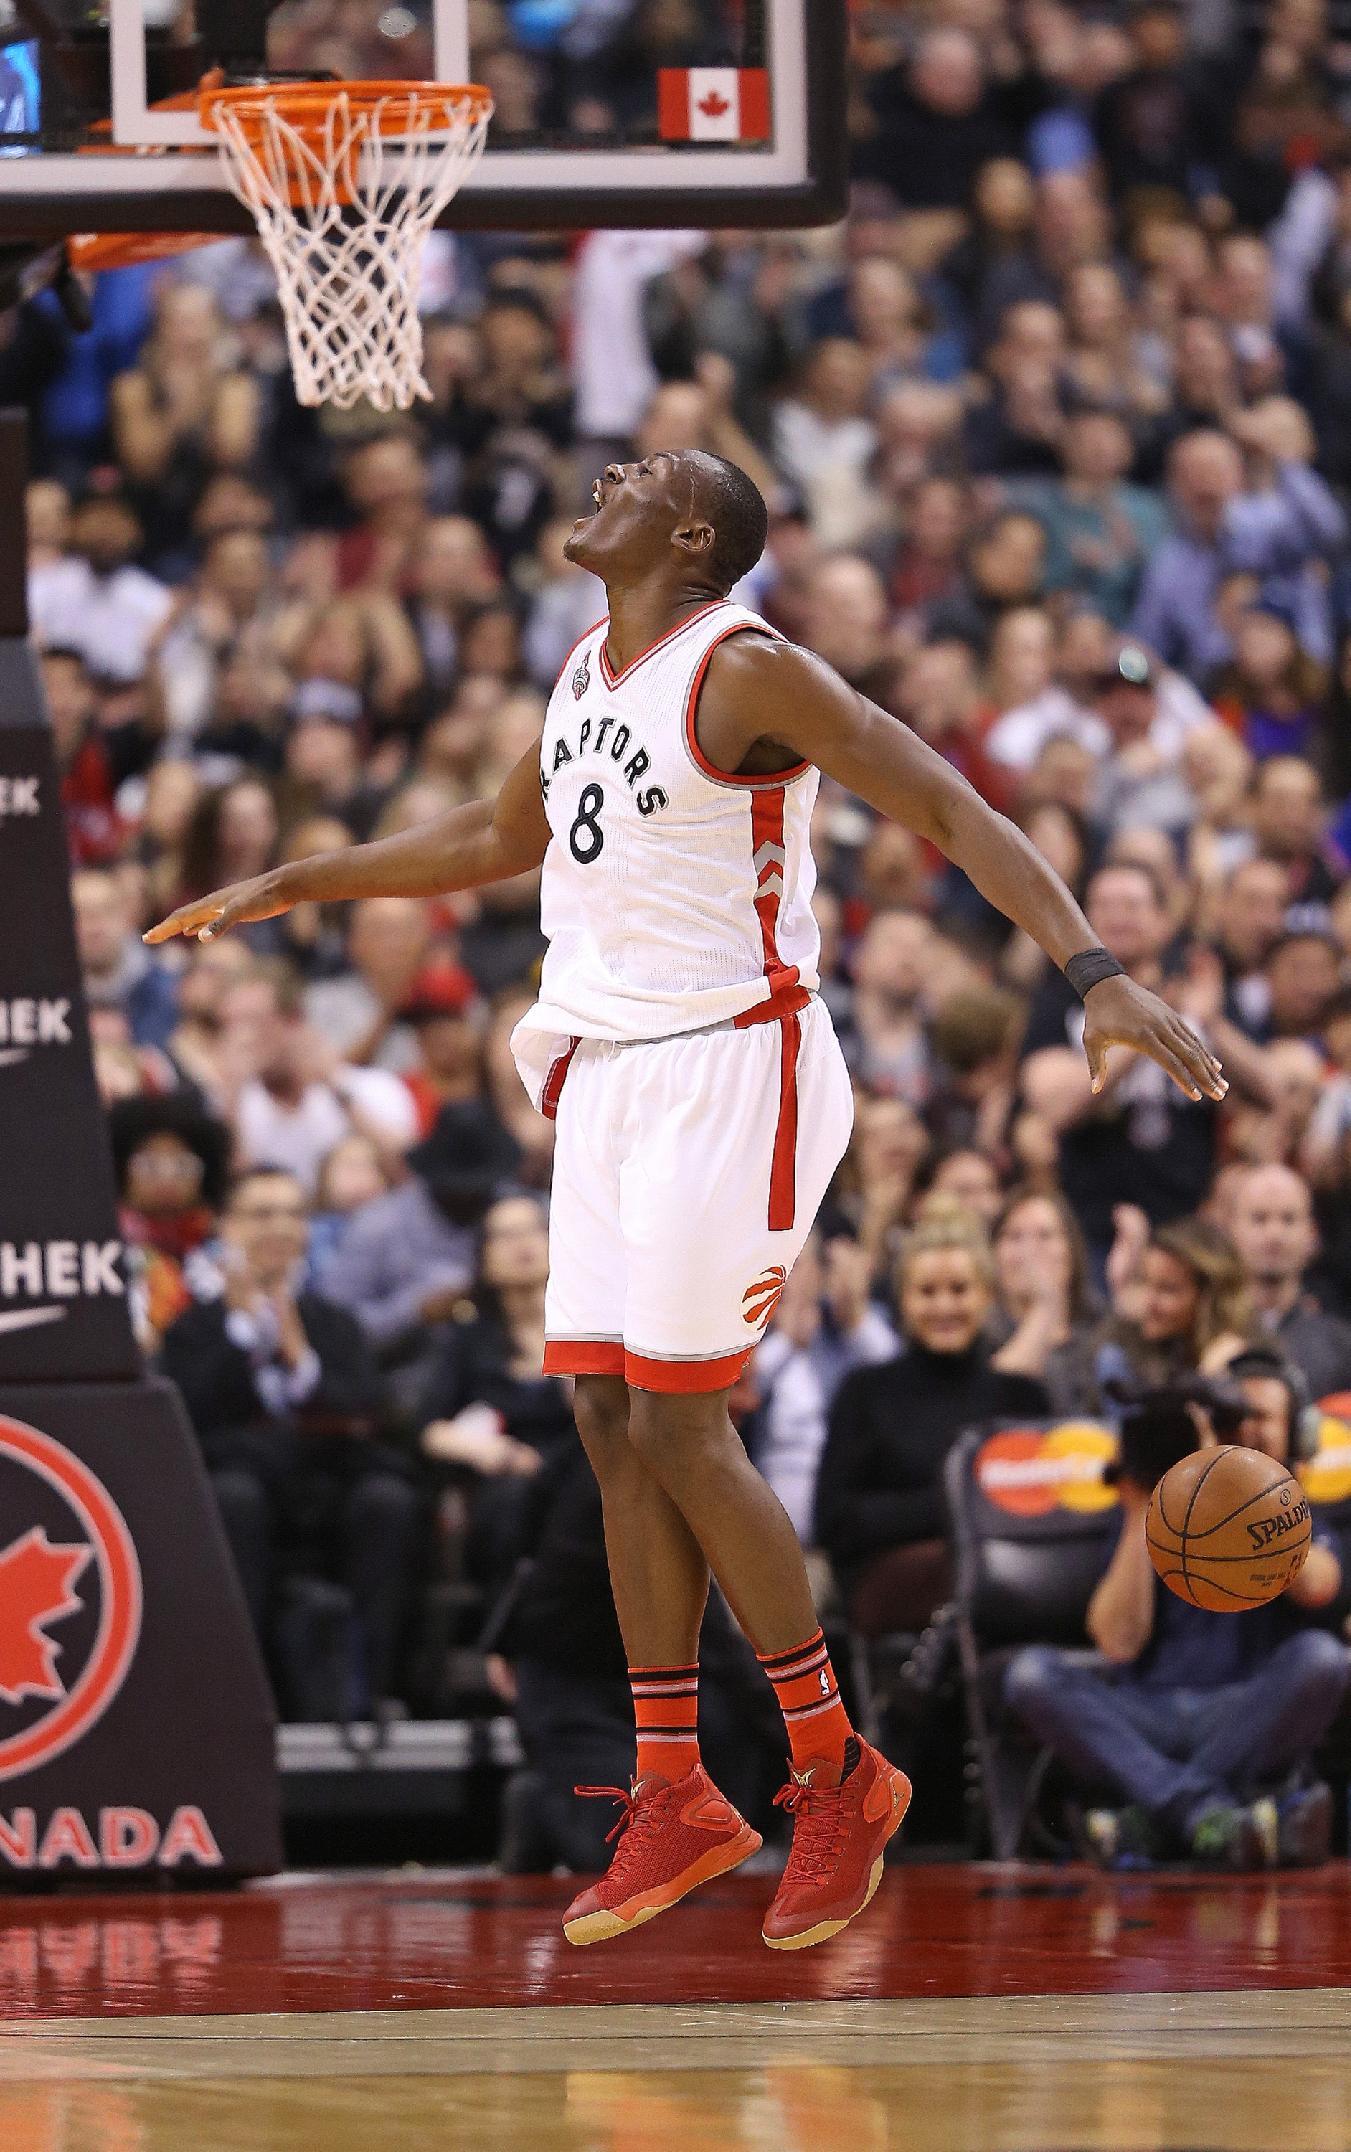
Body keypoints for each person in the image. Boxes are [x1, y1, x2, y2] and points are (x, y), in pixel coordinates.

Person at [147, 446, 1225, 1953]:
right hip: (605, 1066)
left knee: (674, 1415)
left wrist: (1091, 973)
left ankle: (834, 1769)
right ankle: (675, 1790)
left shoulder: (747, 668)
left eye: (644, 472)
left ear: (693, 532)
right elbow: (493, 835)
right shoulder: (589, 661)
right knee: (601, 1414)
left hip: (737, 1062)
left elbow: (946, 806)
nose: (608, 474)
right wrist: (298, 881)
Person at [1004, 1379, 1347, 1870]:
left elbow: (1321, 1585)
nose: (1244, 1431)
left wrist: (1228, 1486)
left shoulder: (1291, 1506)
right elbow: (1118, 1642)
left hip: (1243, 1709)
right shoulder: (1152, 1502)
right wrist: (1147, 1503)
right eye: (1230, 1421)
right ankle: (1202, 1814)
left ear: (1297, 1432)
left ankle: (1155, 1816)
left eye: (1260, 1418)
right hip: (1146, 1713)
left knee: (1323, 1659)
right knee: (1031, 1675)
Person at [159, 1167, 423, 1719]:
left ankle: (373, 1690)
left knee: (388, 1500)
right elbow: (188, 1415)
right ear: (227, 1227)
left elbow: (367, 1407)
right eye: (261, 1213)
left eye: (291, 1213)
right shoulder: (195, 1328)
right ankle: (238, 1694)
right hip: (243, 1487)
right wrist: (240, 1335)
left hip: (327, 1484)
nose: (278, 1226)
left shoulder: (333, 1322)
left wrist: (302, 1361)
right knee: (232, 1499)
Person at [815, 1211, 1051, 1639]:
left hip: (1012, 1579)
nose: (945, 1306)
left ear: (986, 1295)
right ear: (903, 1300)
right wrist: (958, 1505)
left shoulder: (1022, 1397)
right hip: (893, 1581)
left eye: (959, 1290)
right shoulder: (866, 1392)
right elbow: (836, 1520)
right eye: (927, 1292)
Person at [1227, 1163, 1351, 1397]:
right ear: (1232, 1230)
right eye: (1259, 1218)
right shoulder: (1202, 1336)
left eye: (1288, 1219)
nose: (1274, 1234)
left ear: (1312, 1235)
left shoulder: (1342, 1349)